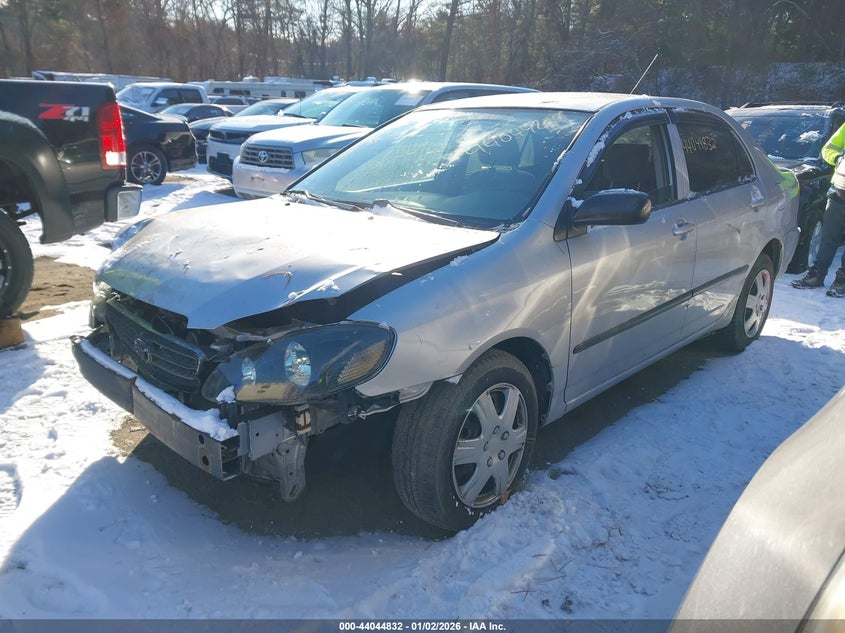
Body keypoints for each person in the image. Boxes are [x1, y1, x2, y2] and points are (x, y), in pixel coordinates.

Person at [792, 121, 845, 297]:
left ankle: (842, 280)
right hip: (838, 191)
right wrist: (837, 158)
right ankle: (817, 274)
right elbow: (828, 149)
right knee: (829, 236)